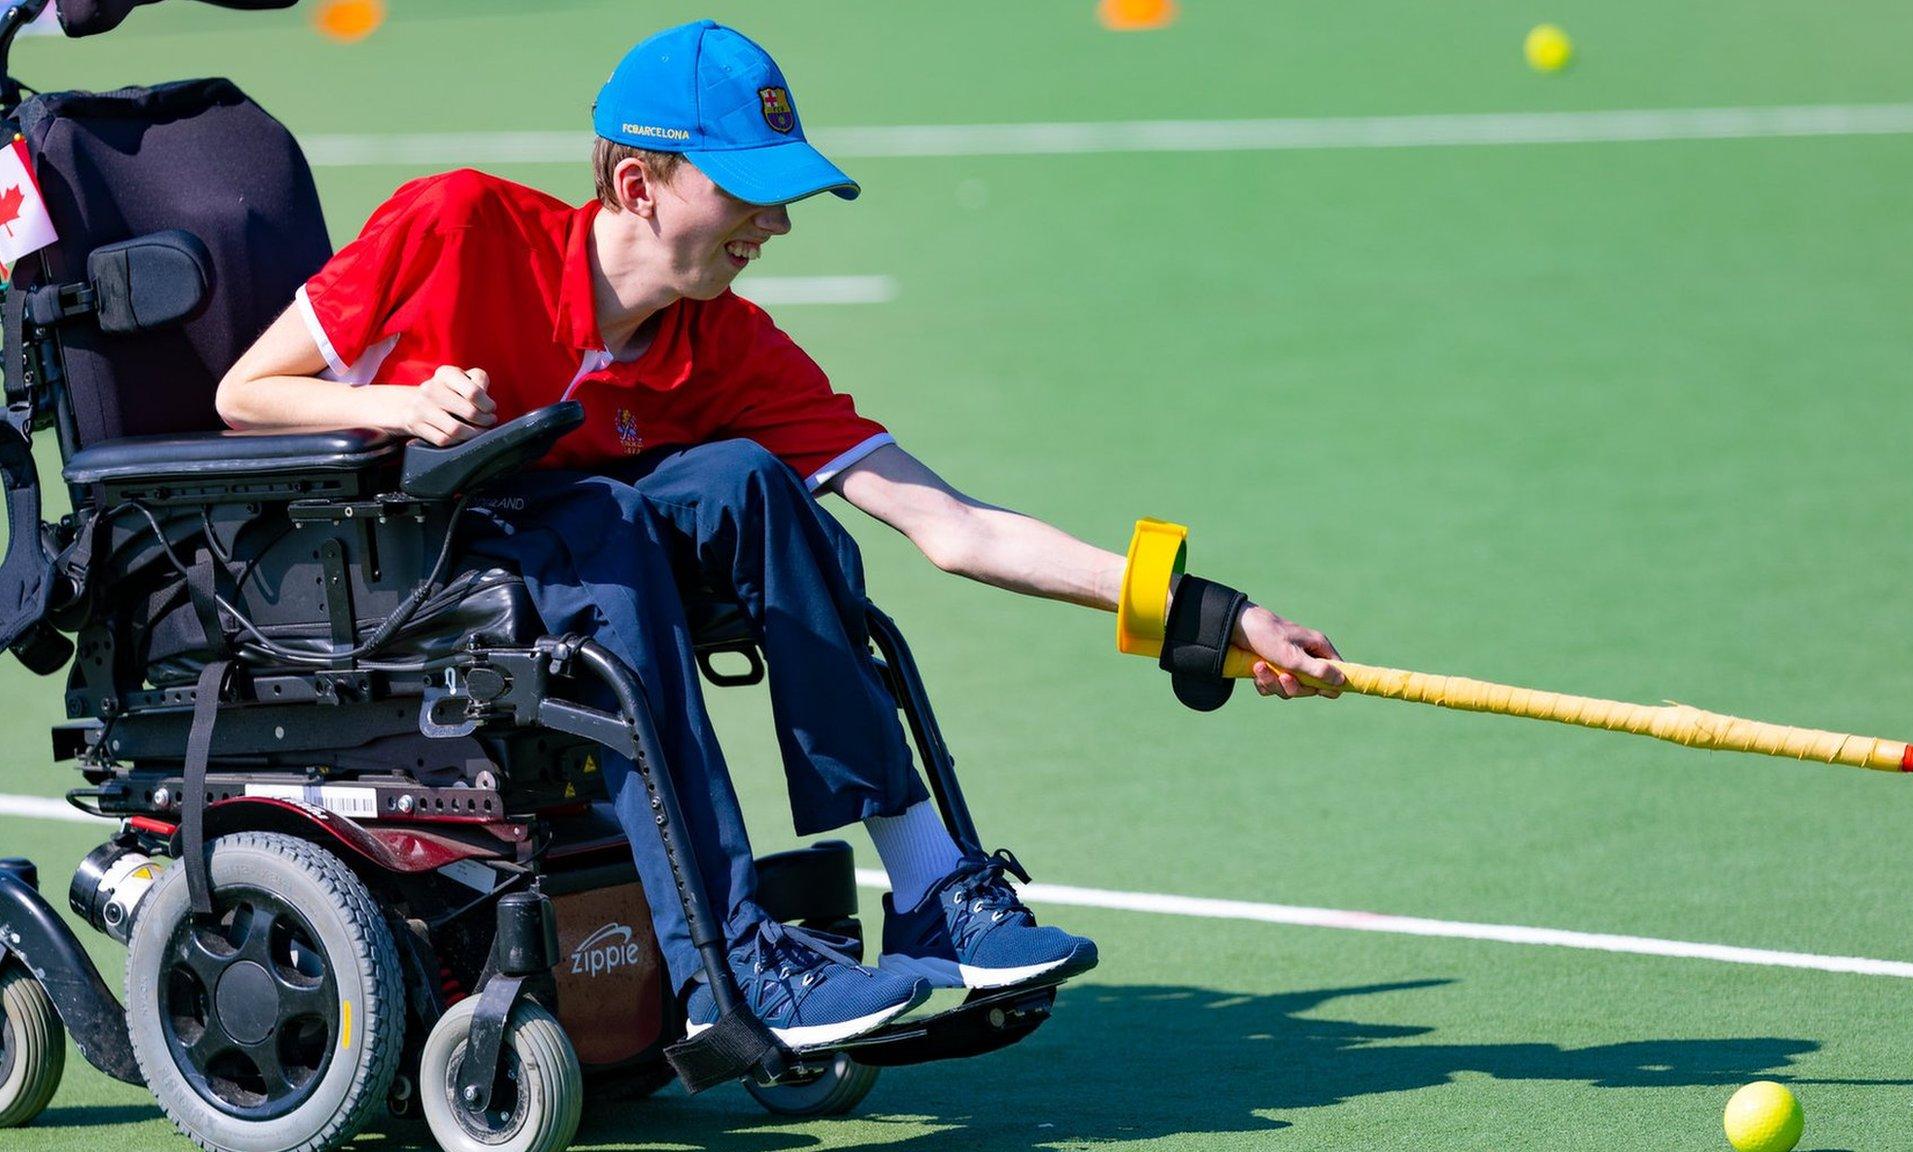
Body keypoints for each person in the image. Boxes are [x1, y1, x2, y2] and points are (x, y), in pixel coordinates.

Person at [216, 19, 1347, 1050]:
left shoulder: (727, 345)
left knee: (753, 484)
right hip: (390, 560)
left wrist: (1208, 612)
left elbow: (946, 525)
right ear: (636, 182)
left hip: (563, 555)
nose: (775, 224)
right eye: (746, 192)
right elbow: (246, 393)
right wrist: (392, 405)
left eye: (782, 192)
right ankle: (732, 969)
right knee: (609, 520)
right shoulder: (457, 221)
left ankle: (926, 881)